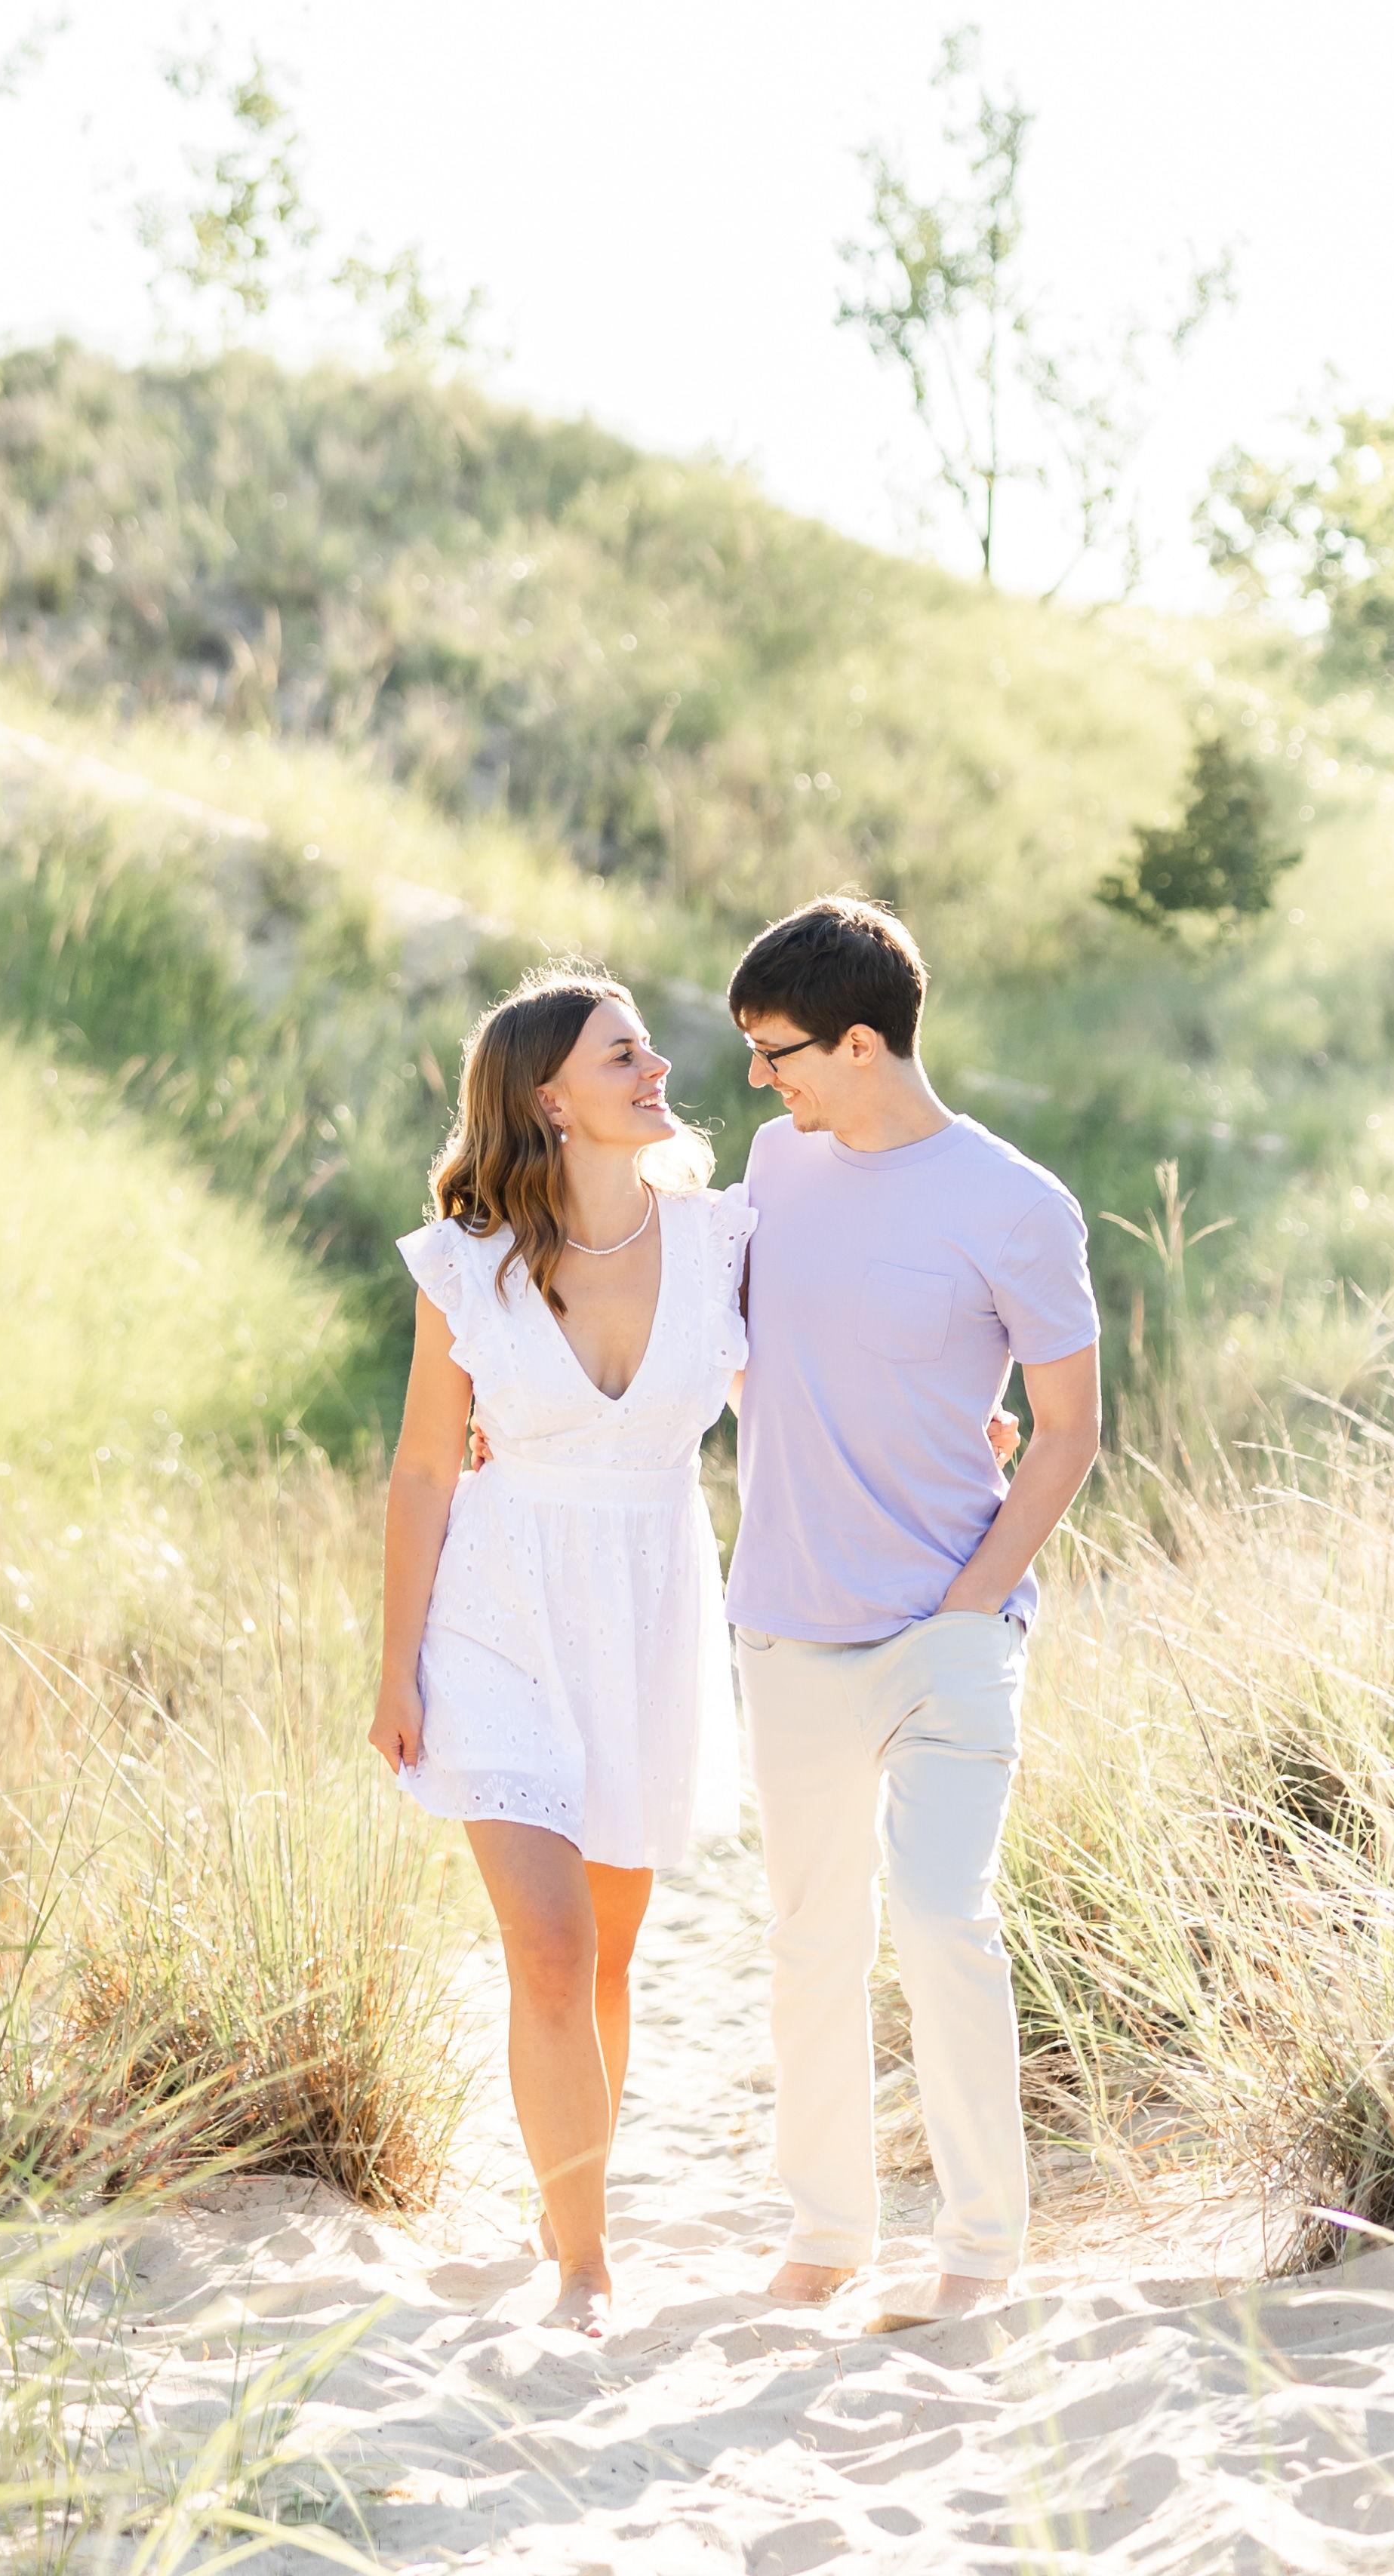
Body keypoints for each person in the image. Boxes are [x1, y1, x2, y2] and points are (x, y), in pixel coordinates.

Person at [722, 891, 1104, 2325]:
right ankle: (826, 2238)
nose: (764, 1079)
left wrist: (972, 1604)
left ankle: (981, 2253)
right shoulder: (772, 1162)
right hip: (785, 1621)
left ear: (864, 1042)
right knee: (811, 1934)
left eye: (782, 1050)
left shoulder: (1018, 1204)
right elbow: (719, 1335)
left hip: (948, 1628)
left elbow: (1065, 1427)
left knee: (944, 1919)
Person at [369, 967, 749, 2336]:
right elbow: (422, 1472)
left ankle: (564, 2192)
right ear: (549, 1098)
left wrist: (966, 1445)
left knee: (609, 1953)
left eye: (647, 1051)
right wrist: (397, 1664)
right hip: (497, 1615)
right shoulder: (463, 1266)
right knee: (547, 1941)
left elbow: (805, 1404)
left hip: (649, 1613)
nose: (657, 1071)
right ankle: (583, 2261)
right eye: (623, 1056)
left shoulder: (719, 1241)